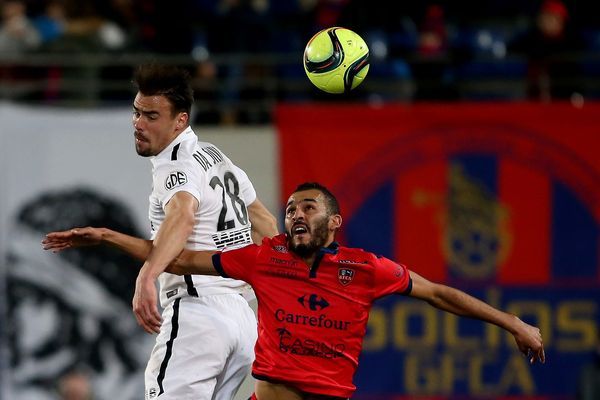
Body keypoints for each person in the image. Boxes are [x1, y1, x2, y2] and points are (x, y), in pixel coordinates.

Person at [44, 182, 545, 400]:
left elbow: (439, 294)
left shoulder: (364, 268)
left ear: (335, 221)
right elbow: (176, 256)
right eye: (290, 210)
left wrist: (514, 323)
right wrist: (107, 237)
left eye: (307, 208)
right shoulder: (267, 258)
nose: (295, 215)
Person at [48, 63, 279, 399]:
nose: (139, 124)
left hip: (197, 314)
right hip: (242, 322)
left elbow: (183, 215)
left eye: (152, 116)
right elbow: (266, 224)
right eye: (136, 112)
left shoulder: (176, 164)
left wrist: (146, 276)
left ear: (180, 121)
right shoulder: (214, 155)